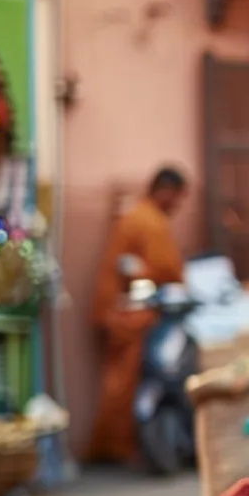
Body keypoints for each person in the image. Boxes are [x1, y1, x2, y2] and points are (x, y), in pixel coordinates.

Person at [87, 167, 187, 464]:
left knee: (118, 381)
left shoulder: (138, 216)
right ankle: (115, 447)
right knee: (123, 382)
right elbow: (165, 270)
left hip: (121, 309)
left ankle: (114, 445)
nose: (177, 206)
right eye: (177, 198)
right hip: (125, 314)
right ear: (165, 191)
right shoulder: (148, 221)